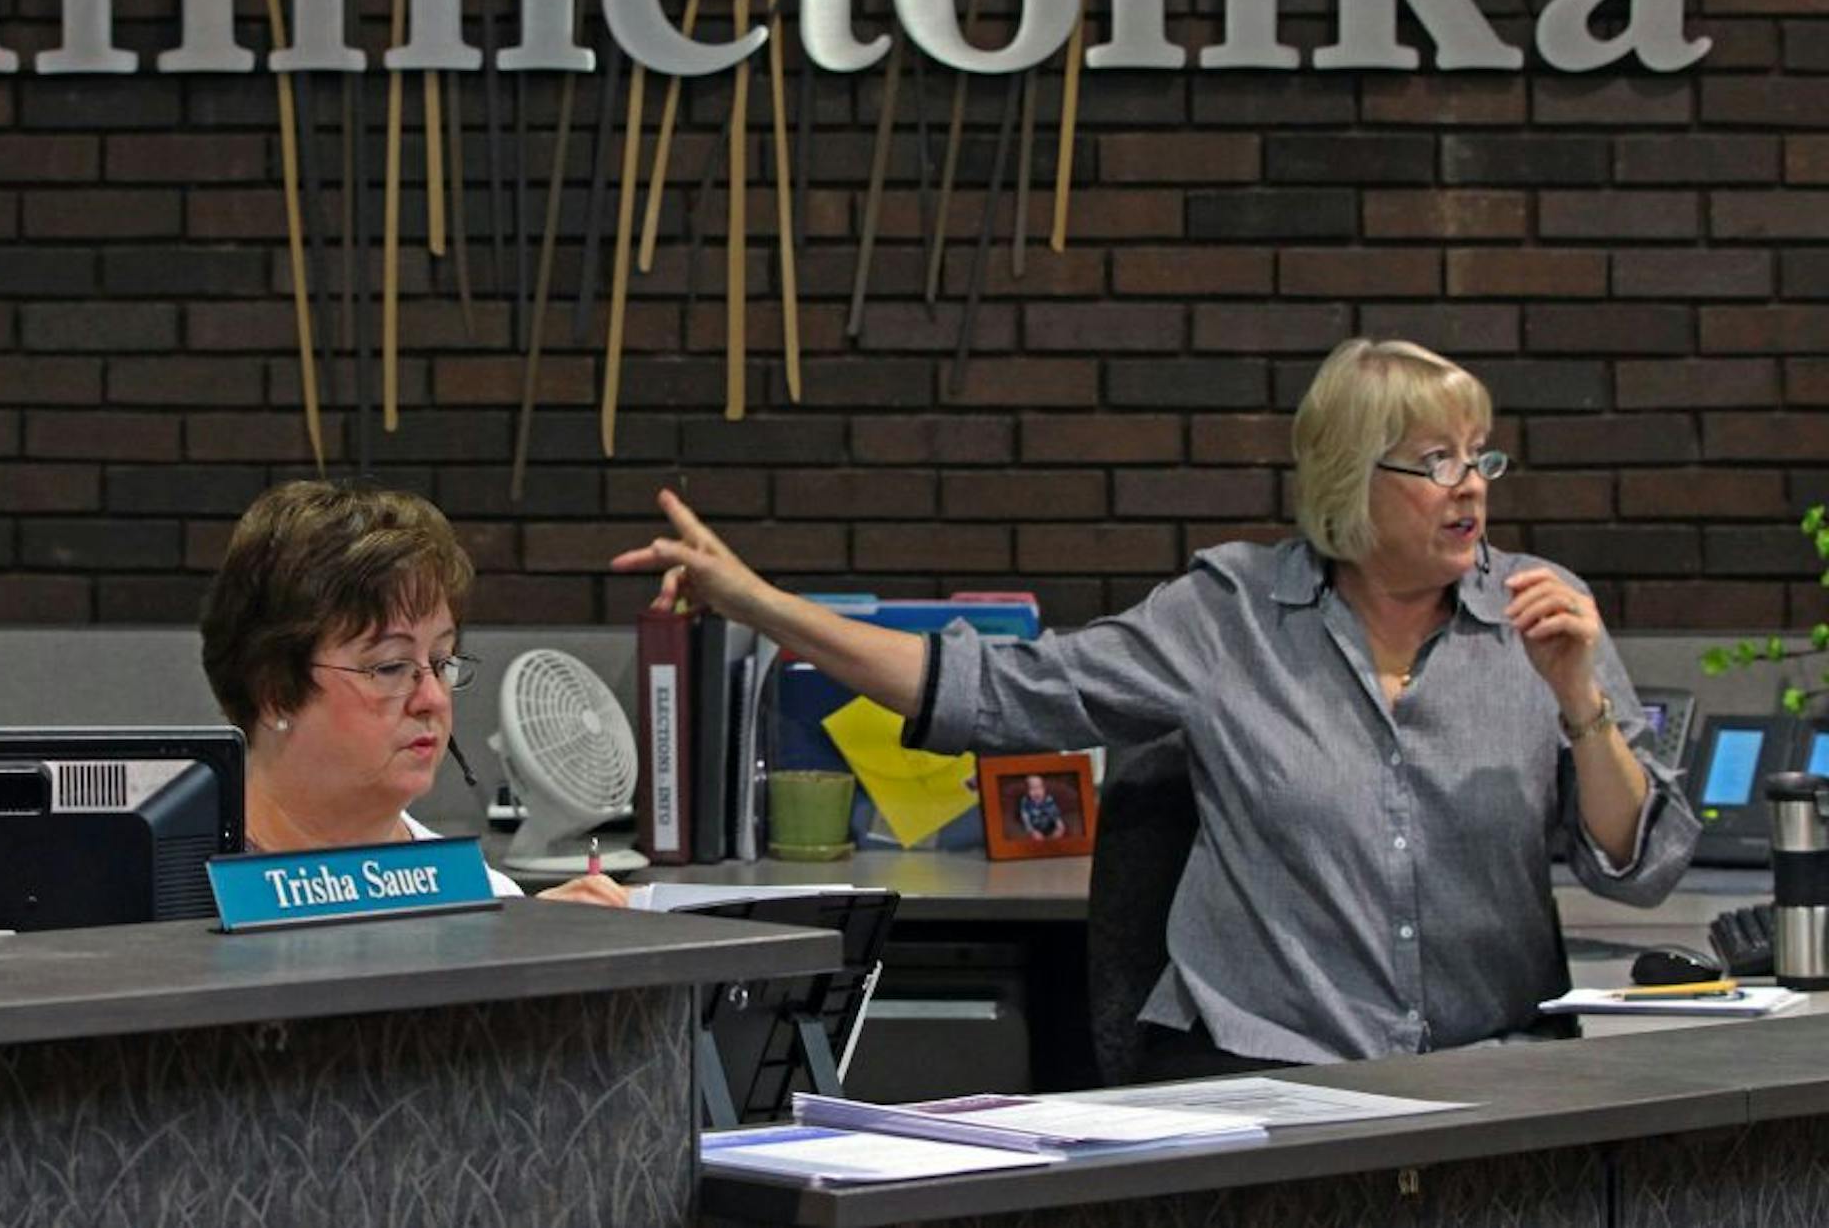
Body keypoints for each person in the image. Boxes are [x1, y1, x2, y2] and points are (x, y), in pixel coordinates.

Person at [612, 338, 1700, 1074]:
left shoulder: (1543, 616)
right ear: (1343, 483)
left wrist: (1579, 702)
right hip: (1272, 1082)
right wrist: (760, 603)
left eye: (1479, 456)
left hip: (1492, 1086)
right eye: (1433, 462)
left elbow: (1642, 865)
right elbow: (996, 692)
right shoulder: (1227, 615)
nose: (1471, 484)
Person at [202, 480, 626, 907]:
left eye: (442, 662)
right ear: (273, 689)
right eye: (390, 667)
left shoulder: (489, 898)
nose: (433, 699)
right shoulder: (164, 902)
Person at [1016, 774, 1066, 840]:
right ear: (1026, 791)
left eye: (1040, 787)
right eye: (1032, 788)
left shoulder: (1048, 799)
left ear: (1044, 789)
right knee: (1036, 839)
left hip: (1049, 825)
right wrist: (1032, 831)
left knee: (1059, 831)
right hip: (1034, 826)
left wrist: (1060, 826)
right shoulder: (1026, 802)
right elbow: (1025, 818)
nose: (1036, 791)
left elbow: (1055, 813)